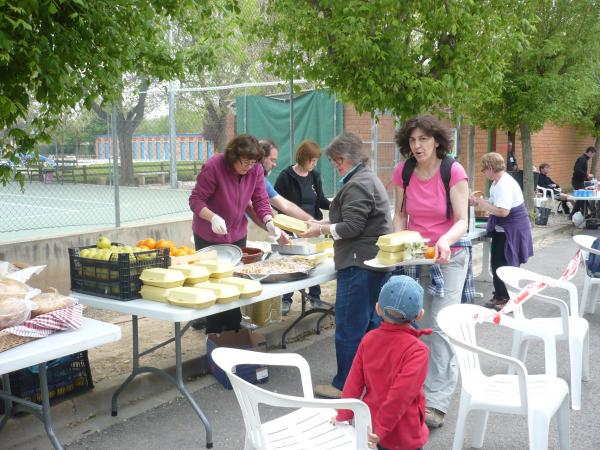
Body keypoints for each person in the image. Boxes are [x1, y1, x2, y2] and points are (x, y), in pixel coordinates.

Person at [301, 132, 393, 399]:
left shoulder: (357, 184)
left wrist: (321, 231)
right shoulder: (367, 178)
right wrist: (320, 224)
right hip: (372, 264)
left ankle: (344, 385)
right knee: (369, 328)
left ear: (343, 159)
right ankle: (364, 382)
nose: (334, 166)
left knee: (349, 329)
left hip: (358, 265)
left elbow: (352, 226)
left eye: (334, 162)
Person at [392, 115, 470, 429]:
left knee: (441, 325)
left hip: (449, 256)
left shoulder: (453, 170)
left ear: (436, 140)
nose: (417, 145)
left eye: (423, 139)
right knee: (418, 324)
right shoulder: (403, 171)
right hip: (416, 256)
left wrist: (444, 241)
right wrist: (398, 240)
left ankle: (437, 401)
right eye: (412, 140)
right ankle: (418, 391)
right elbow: (399, 215)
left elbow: (462, 220)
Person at [188, 134, 283, 334]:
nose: (249, 166)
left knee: (234, 280)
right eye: (245, 162)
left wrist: (268, 221)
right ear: (233, 155)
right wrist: (212, 217)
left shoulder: (255, 169)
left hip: (237, 232)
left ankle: (234, 330)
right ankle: (214, 331)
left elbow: (260, 199)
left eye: (253, 162)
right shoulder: (215, 165)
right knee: (214, 281)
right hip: (208, 233)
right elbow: (196, 200)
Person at [334, 275, 431, 450]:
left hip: (371, 423)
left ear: (378, 309)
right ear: (419, 315)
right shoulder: (418, 350)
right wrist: (382, 430)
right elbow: (400, 395)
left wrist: (344, 414)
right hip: (403, 432)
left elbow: (353, 381)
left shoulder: (368, 339)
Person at [471, 152, 533, 312]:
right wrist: (480, 201)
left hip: (511, 229)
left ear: (490, 168)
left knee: (506, 264)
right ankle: (499, 295)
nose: (484, 174)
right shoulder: (497, 182)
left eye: (484, 170)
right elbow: (494, 202)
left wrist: (483, 205)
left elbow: (503, 211)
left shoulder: (505, 184)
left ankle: (508, 299)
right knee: (496, 263)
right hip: (503, 228)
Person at [275, 140, 331, 315]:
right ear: (303, 158)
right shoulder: (285, 176)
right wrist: (289, 224)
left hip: (312, 227)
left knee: (312, 262)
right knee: (291, 264)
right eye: (312, 160)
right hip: (292, 228)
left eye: (316, 161)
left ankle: (315, 298)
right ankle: (286, 299)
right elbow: (278, 203)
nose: (314, 164)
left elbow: (321, 200)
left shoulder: (315, 176)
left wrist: (337, 206)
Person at [570, 146, 597, 219]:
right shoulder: (582, 159)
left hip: (580, 181)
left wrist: (587, 177)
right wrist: (587, 175)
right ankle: (572, 215)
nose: (592, 156)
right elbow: (577, 170)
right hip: (577, 181)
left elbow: (580, 171)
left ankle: (585, 213)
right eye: (593, 154)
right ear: (590, 152)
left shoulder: (584, 159)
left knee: (583, 199)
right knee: (581, 198)